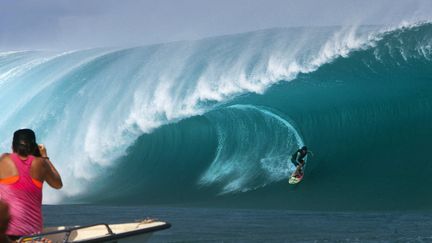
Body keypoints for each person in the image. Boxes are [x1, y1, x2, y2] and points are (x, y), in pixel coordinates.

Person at [0, 129, 62, 241]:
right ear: (34, 147)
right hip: (31, 236)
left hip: (5, 235)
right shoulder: (41, 163)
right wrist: (44, 156)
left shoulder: (4, 160)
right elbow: (58, 184)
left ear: (13, 146)